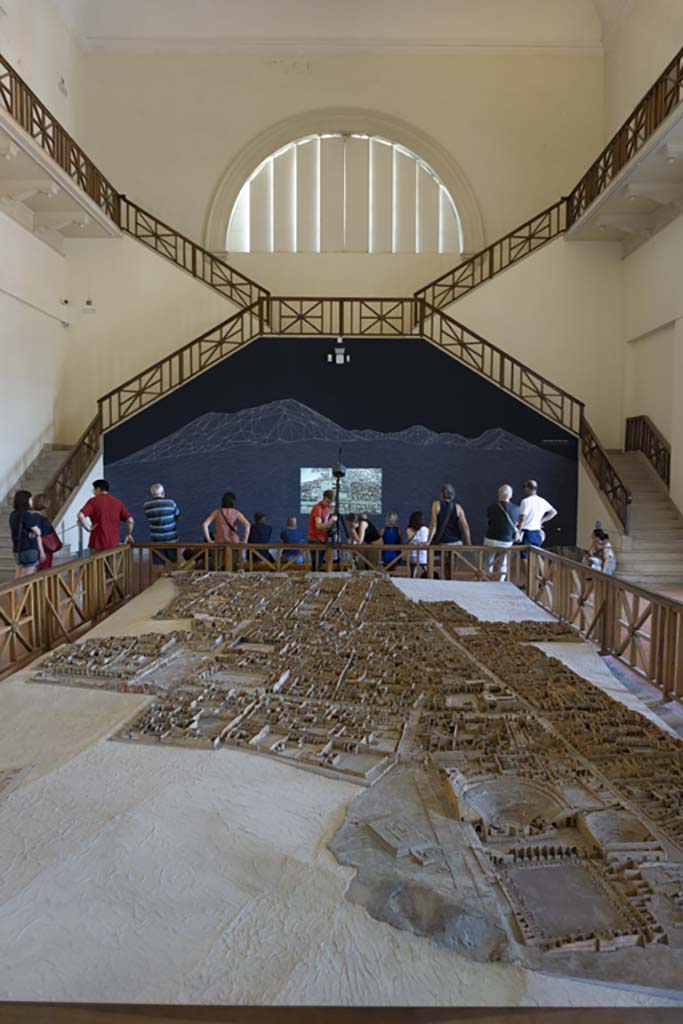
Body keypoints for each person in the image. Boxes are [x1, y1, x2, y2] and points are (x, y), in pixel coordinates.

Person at [428, 483, 471, 579]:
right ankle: (452, 584)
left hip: (444, 543)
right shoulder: (458, 507)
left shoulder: (436, 504)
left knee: (445, 568)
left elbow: (433, 524)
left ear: (441, 494)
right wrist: (468, 543)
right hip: (457, 542)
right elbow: (465, 527)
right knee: (453, 568)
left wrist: (428, 541)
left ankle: (448, 584)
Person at [78, 480, 134, 551]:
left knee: (96, 562)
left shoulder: (92, 501)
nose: (93, 492)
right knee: (113, 562)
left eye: (94, 490)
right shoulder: (117, 502)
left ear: (98, 489)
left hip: (96, 544)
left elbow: (80, 515)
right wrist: (127, 534)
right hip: (114, 544)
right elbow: (130, 521)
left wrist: (88, 528)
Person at [483, 484, 521, 581]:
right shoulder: (517, 509)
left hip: (490, 539)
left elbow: (489, 520)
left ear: (498, 494)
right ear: (511, 495)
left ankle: (486, 579)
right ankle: (500, 582)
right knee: (503, 563)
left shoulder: (491, 507)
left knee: (488, 562)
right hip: (506, 541)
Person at [202, 492, 250, 570]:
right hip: (233, 542)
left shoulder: (217, 512)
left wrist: (209, 540)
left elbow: (205, 525)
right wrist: (245, 540)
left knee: (218, 565)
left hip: (220, 542)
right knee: (234, 565)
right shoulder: (236, 513)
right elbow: (247, 525)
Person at [9, 490, 45, 579]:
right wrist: (33, 532)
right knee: (28, 578)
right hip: (28, 548)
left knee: (18, 576)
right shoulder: (26, 515)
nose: (31, 501)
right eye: (30, 499)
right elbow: (38, 532)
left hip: (17, 548)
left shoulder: (13, 514)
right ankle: (24, 593)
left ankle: (16, 593)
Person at [143, 483, 180, 563]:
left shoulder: (147, 506)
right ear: (163, 493)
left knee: (158, 565)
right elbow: (177, 515)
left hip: (156, 541)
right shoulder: (171, 503)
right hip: (171, 540)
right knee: (173, 563)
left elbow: (148, 517)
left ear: (152, 494)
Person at [517, 479, 557, 549]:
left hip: (526, 532)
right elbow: (553, 512)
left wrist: (518, 531)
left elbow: (522, 519)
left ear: (528, 488)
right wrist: (541, 521)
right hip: (537, 532)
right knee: (535, 554)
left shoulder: (525, 501)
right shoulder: (542, 501)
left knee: (524, 556)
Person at [307, 490, 337, 571]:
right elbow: (318, 526)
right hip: (315, 539)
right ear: (323, 499)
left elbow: (325, 525)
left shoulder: (327, 509)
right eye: (327, 502)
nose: (329, 504)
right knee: (316, 564)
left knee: (319, 563)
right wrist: (331, 521)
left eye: (330, 503)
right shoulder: (318, 508)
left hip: (323, 538)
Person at [33, 493, 62, 572]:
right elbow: (39, 536)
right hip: (44, 549)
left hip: (34, 549)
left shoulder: (30, 518)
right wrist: (42, 551)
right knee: (44, 572)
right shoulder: (42, 519)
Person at [406, 511, 429, 578]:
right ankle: (428, 576)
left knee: (413, 567)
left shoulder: (409, 530)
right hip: (423, 557)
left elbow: (410, 541)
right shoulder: (426, 529)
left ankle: (412, 577)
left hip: (413, 556)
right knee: (426, 569)